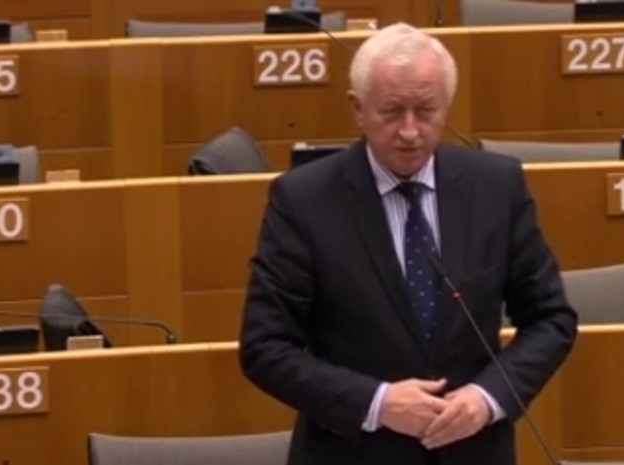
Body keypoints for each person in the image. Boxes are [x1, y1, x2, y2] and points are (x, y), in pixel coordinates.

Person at [239, 22, 577, 465]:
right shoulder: (304, 200)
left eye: (426, 111)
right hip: (354, 454)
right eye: (392, 111)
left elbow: (551, 319)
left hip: (472, 450)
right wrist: (377, 402)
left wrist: (487, 397)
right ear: (358, 108)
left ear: (447, 106)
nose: (410, 131)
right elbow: (264, 347)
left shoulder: (497, 187)